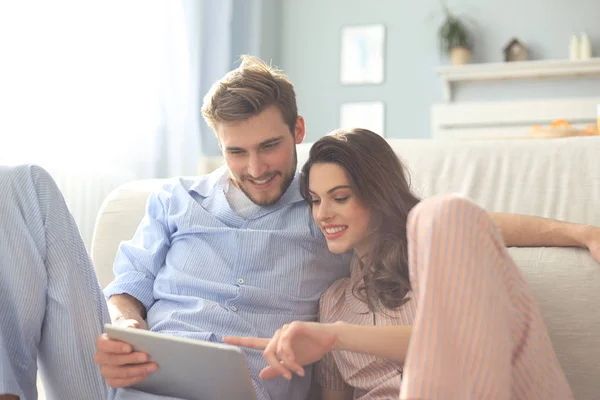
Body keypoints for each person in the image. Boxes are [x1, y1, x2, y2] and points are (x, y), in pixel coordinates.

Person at [0, 57, 597, 400]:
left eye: (269, 146)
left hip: (243, 393)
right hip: (126, 385)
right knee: (20, 184)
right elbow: (127, 283)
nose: (256, 169)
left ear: (297, 130)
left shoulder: (326, 213)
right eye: (237, 153)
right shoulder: (173, 200)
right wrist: (126, 325)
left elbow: (440, 224)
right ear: (218, 145)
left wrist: (577, 232)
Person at [223, 128, 595, 399]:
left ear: (377, 194)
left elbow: (458, 339)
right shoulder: (334, 302)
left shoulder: (432, 256)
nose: (324, 214)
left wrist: (581, 233)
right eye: (316, 201)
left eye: (339, 197)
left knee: (440, 215)